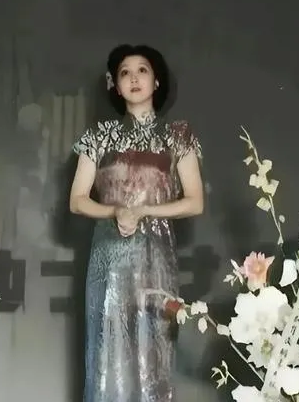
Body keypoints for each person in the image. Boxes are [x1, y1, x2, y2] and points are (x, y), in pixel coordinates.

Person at [69, 44, 204, 401]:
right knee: (107, 351)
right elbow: (77, 200)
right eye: (124, 72)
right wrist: (115, 212)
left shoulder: (177, 136)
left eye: (142, 70)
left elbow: (195, 201)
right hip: (109, 260)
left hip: (154, 257)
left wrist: (144, 211)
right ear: (115, 85)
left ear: (156, 81)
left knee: (153, 350)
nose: (133, 78)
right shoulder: (98, 136)